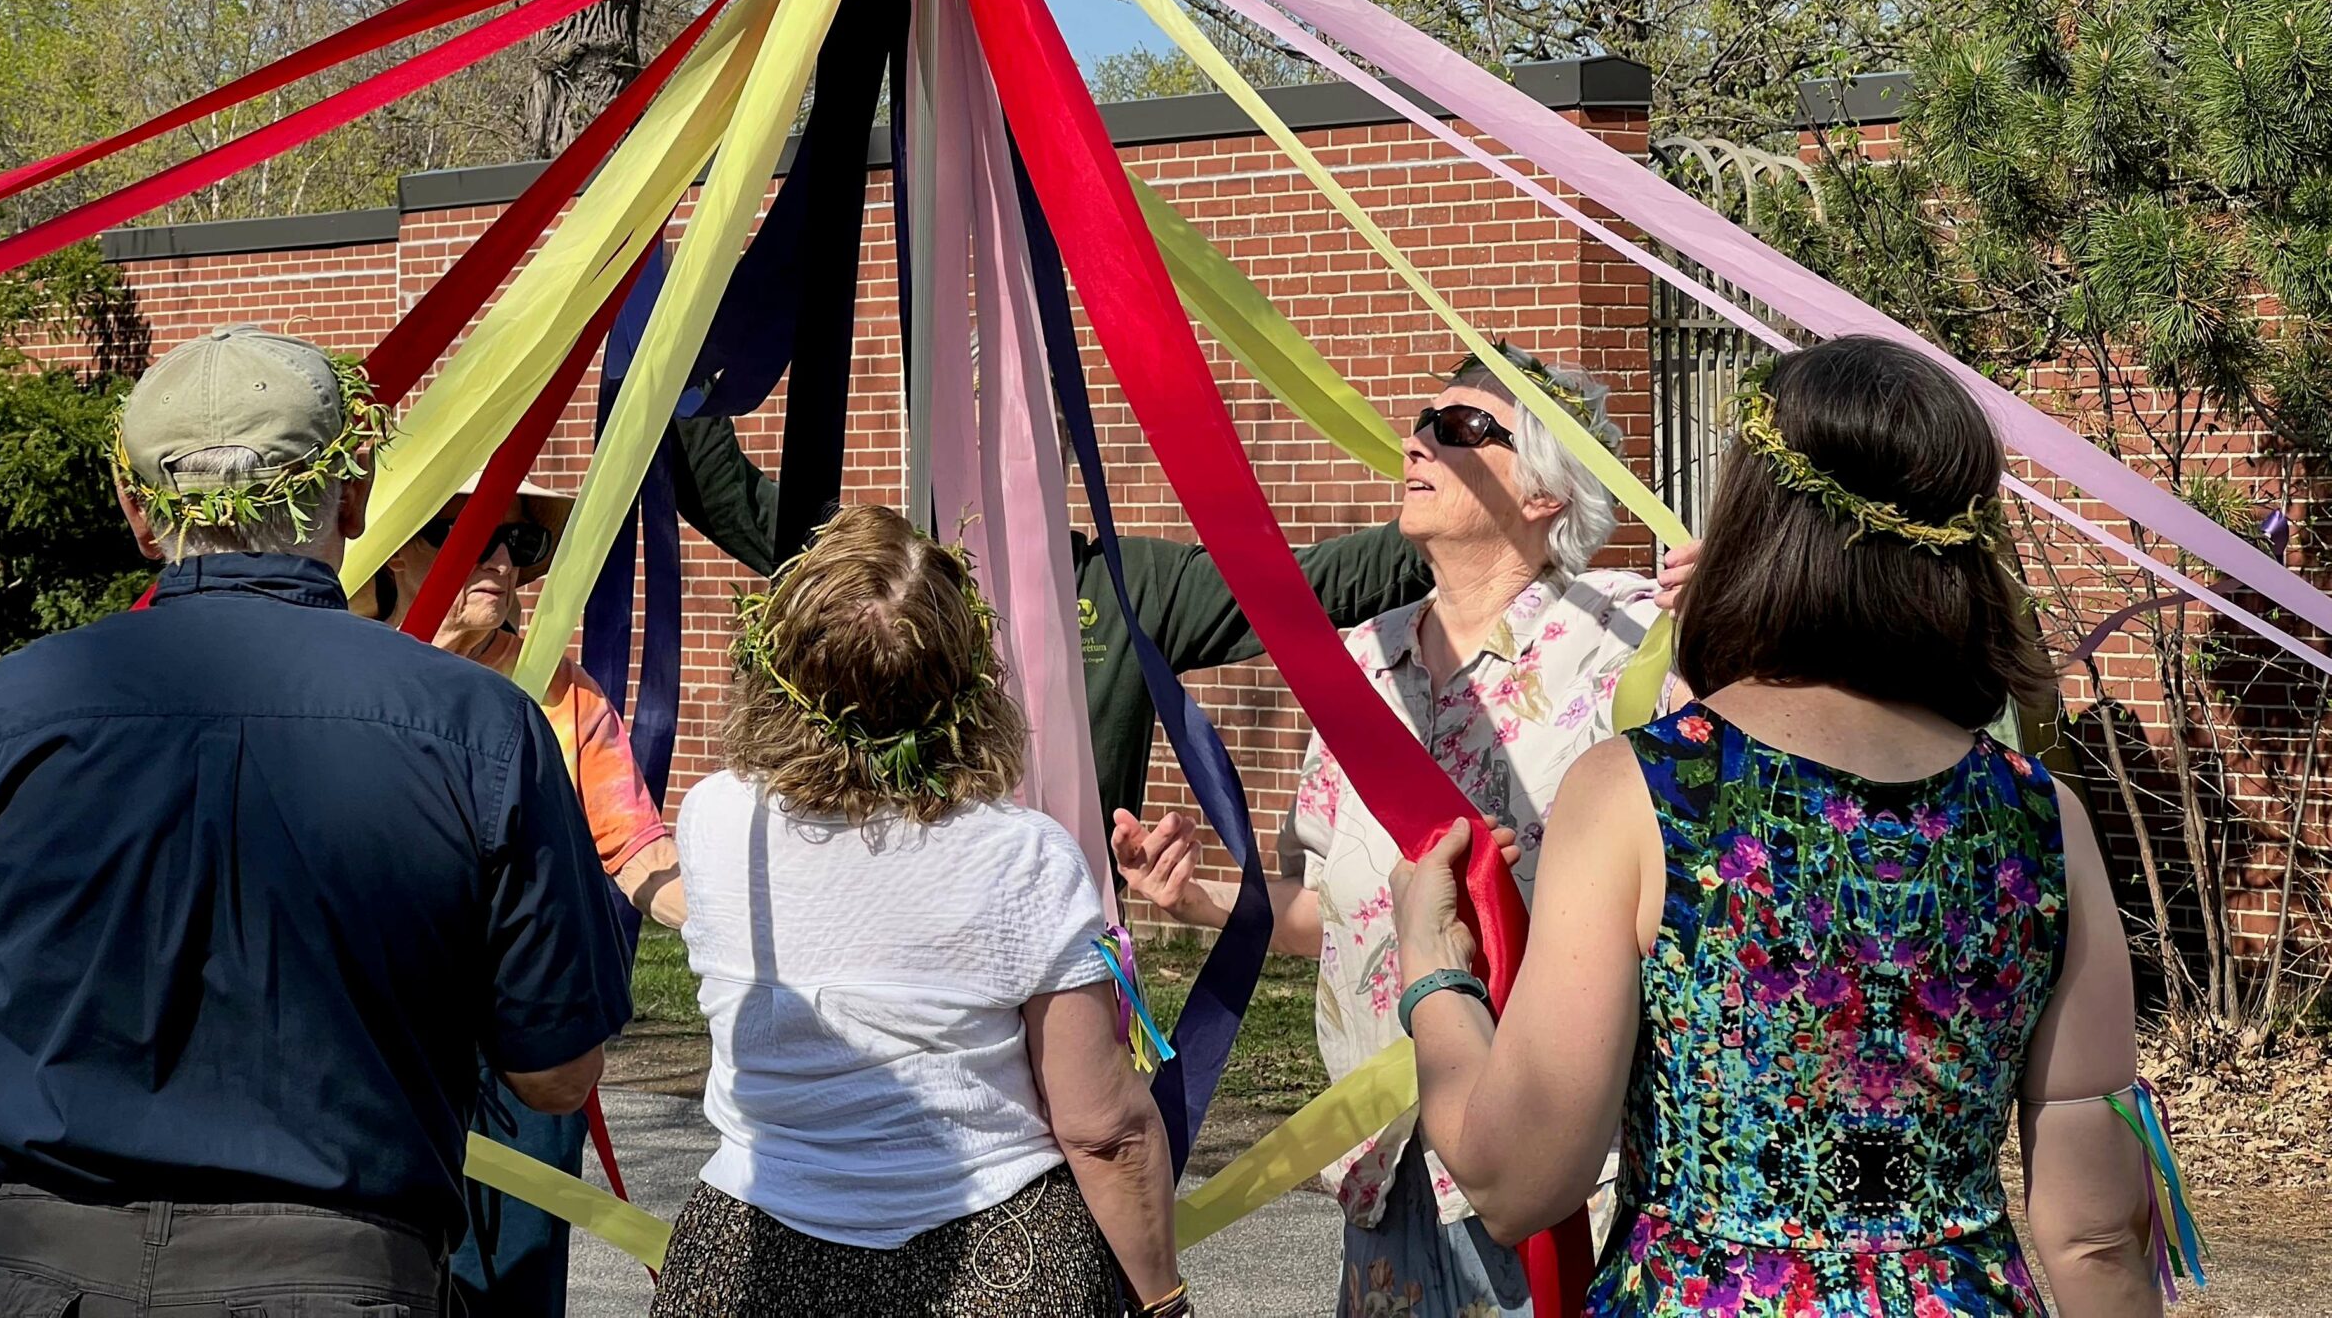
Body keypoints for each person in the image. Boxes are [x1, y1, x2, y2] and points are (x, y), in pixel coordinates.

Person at [1387, 334, 2162, 1317]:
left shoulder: (1643, 790)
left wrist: (1432, 968)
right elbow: (2096, 1239)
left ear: (1755, 519)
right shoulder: (2039, 819)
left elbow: (1518, 1180)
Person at [0, 328, 630, 1316]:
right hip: (336, 1276)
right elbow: (554, 1069)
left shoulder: (12, 706)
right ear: (359, 491)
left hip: (55, 1276)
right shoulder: (478, 724)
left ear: (137, 512)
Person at [1113, 351, 1674, 1318]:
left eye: (1459, 430)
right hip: (1384, 1156)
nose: (1414, 441)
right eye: (1421, 421)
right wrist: (1203, 900)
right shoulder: (1357, 664)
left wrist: (1744, 616)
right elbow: (1332, 911)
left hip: (1550, 1160)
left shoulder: (1635, 640)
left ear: (1547, 491)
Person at [651, 504, 1184, 1318]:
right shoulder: (1022, 855)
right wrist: (1163, 1301)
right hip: (999, 1262)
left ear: (777, 660)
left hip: (749, 1255)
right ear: (967, 680)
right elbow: (1102, 1130)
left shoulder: (717, 817)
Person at [671, 395, 1436, 832]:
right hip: (911, 920)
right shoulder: (887, 581)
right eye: (975, 442)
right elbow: (726, 496)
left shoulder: (1130, 583)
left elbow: (1306, 586)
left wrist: (1442, 521)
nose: (1002, 469)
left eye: (1028, 443)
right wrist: (684, 339)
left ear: (1064, 456)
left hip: (1074, 941)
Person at [368, 472, 682, 1318]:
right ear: (403, 544)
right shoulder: (349, 678)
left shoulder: (561, 691)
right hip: (377, 1035)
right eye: (473, 531)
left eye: (524, 543)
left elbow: (634, 842)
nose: (503, 563)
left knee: (518, 1279)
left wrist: (735, 927)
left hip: (528, 1043)